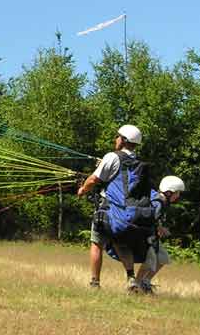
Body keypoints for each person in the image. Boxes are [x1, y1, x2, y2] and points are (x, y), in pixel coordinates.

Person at [76, 124, 143, 289]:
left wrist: (82, 190)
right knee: (121, 244)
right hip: (127, 213)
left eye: (118, 136)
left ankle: (95, 283)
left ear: (123, 140)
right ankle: (131, 278)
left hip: (108, 209)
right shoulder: (138, 163)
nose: (116, 139)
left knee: (96, 243)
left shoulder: (112, 156)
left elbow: (93, 180)